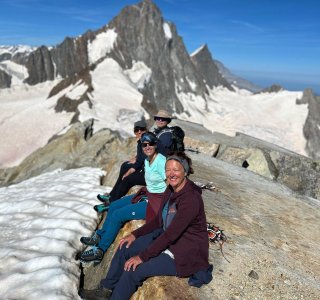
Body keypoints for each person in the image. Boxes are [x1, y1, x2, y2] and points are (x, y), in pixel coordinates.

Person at [79, 151, 212, 300]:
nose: (171, 174)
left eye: (176, 170)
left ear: (185, 171)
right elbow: (158, 220)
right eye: (168, 170)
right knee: (125, 247)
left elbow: (171, 235)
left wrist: (142, 257)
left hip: (183, 253)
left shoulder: (191, 199)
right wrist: (134, 234)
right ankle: (105, 290)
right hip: (167, 239)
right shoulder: (170, 189)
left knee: (134, 268)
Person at [79, 132, 167, 264]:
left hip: (156, 204)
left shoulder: (161, 161)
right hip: (148, 195)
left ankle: (100, 250)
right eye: (144, 145)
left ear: (156, 144)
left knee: (118, 215)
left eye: (150, 144)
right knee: (114, 206)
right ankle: (101, 235)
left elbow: (171, 183)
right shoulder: (148, 160)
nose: (147, 147)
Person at [96, 120, 148, 205]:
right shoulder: (141, 141)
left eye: (142, 129)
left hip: (148, 171)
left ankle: (112, 202)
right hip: (144, 167)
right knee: (125, 165)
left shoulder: (148, 141)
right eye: (136, 130)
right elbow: (141, 157)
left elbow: (144, 158)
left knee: (127, 178)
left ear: (146, 129)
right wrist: (136, 158)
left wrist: (131, 170)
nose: (139, 132)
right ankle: (112, 194)